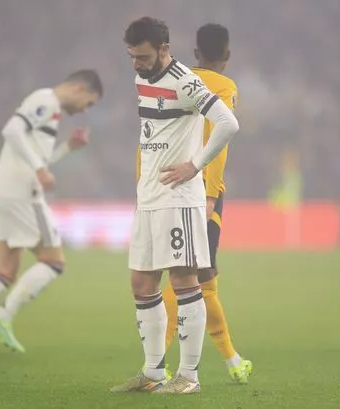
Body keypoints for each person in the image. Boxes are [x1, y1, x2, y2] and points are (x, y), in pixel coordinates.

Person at [111, 17, 239, 394]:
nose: (136, 63)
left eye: (143, 56)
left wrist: (195, 166)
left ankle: (189, 377)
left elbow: (227, 123)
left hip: (179, 197)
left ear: (164, 49)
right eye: (132, 56)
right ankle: (152, 374)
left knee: (184, 280)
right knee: (142, 282)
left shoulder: (185, 80)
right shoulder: (142, 79)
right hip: (149, 195)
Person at [0, 70, 103, 355]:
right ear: (80, 88)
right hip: (21, 194)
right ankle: (3, 316)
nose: (85, 110)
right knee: (54, 261)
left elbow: (34, 156)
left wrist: (68, 147)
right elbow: (12, 131)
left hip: (1, 192)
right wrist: (40, 169)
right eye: (89, 102)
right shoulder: (46, 99)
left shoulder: (49, 111)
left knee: (4, 271)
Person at [161, 23, 253, 384]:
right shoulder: (225, 87)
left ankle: (232, 361)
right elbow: (220, 140)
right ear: (226, 57)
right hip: (200, 188)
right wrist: (212, 194)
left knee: (204, 276)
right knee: (188, 277)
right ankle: (156, 362)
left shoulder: (176, 79)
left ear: (195, 52)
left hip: (170, 182)